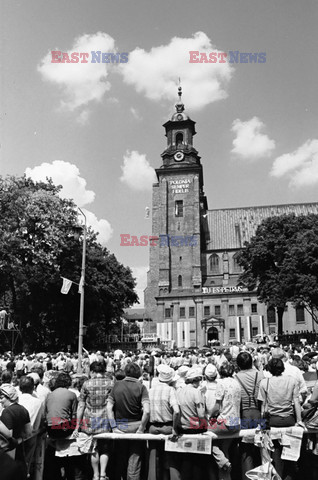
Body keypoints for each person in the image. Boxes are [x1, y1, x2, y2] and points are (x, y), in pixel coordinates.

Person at [258, 358, 304, 480]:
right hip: (289, 419)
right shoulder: (292, 381)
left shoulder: (264, 383)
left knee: (276, 455)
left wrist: (262, 425)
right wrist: (299, 420)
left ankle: (278, 476)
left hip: (273, 422)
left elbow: (263, 407)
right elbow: (296, 402)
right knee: (290, 455)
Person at [107, 362, 150, 480]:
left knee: (120, 458)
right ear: (138, 373)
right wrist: (141, 428)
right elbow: (146, 411)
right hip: (136, 426)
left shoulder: (116, 386)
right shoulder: (142, 387)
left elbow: (109, 408)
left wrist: (114, 427)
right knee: (134, 460)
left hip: (121, 426)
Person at [75, 361, 113, 480]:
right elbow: (112, 405)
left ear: (92, 371)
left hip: (90, 420)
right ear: (104, 371)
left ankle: (95, 475)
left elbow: (81, 406)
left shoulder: (86, 384)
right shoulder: (111, 383)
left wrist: (77, 426)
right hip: (106, 420)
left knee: (93, 449)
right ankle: (103, 474)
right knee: (105, 448)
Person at [148, 364, 180, 480]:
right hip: (167, 427)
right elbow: (176, 411)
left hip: (153, 427)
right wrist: (174, 427)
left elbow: (146, 410)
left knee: (153, 458)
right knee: (171, 458)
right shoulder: (171, 390)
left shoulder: (150, 390)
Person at [236, 351, 264, 479]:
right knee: (261, 448)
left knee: (246, 450)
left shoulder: (235, 377)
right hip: (259, 412)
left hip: (244, 413)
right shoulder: (260, 374)